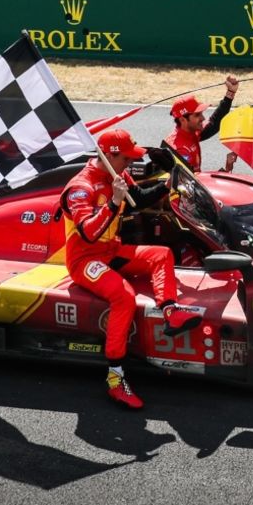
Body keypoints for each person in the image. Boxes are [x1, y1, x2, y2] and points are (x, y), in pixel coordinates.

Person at [61, 129, 203, 410]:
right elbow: (89, 233)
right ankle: (115, 378)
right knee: (123, 296)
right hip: (84, 260)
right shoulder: (81, 188)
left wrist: (167, 185)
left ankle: (170, 312)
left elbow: (137, 196)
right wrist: (114, 202)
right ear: (109, 155)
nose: (130, 164)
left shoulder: (117, 174)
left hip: (111, 251)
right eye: (126, 158)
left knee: (161, 254)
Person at [163, 75, 239, 173]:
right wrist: (225, 172)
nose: (203, 118)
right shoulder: (179, 150)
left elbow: (214, 123)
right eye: (197, 115)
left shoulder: (191, 132)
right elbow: (189, 185)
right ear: (182, 120)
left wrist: (230, 93)